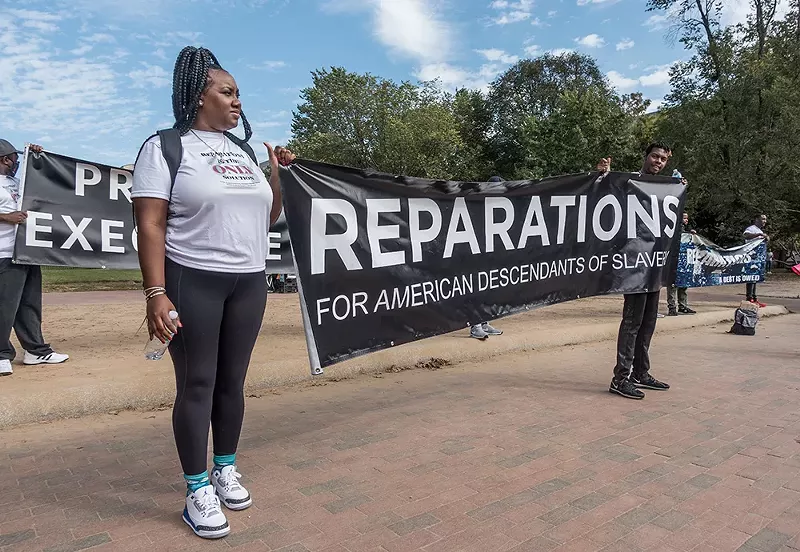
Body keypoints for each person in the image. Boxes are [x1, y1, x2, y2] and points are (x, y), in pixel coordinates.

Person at [132, 46, 295, 540]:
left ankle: (225, 469)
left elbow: (263, 218)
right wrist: (156, 292)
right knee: (198, 382)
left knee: (233, 381)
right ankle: (196, 487)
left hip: (249, 281)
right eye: (227, 91)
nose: (236, 101)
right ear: (198, 95)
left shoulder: (243, 150)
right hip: (192, 279)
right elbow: (151, 223)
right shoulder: (164, 147)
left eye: (239, 93)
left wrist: (277, 175)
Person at [596, 144, 685, 400]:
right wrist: (603, 175)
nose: (659, 161)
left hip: (655, 264)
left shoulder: (667, 189)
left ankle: (640, 373)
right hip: (634, 265)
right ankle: (620, 378)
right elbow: (605, 195)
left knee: (648, 322)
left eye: (663, 159)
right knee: (632, 323)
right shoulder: (630, 182)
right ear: (646, 157)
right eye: (655, 156)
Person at [0, 139, 69, 377]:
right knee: (4, 307)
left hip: (27, 251)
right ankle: (1, 354)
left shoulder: (15, 182)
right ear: (4, 160)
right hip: (4, 252)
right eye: (15, 158)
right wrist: (5, 217)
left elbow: (40, 188)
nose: (17, 162)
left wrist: (38, 158)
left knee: (29, 305)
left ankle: (36, 350)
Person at [471, 175, 505, 340]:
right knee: (477, 288)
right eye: (494, 188)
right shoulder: (476, 204)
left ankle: (485, 323)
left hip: (492, 255)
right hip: (476, 254)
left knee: (490, 288)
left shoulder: (501, 207)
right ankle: (475, 325)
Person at [667, 212, 696, 316]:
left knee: (683, 284)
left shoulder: (686, 233)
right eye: (684, 218)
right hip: (674, 261)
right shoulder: (673, 230)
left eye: (687, 218)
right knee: (673, 284)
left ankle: (682, 306)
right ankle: (672, 307)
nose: (686, 220)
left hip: (683, 261)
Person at [743, 214, 768, 307]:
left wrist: (766, 239)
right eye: (763, 219)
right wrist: (759, 234)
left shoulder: (760, 230)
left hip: (757, 259)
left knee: (755, 278)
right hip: (750, 257)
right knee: (750, 277)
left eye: (765, 219)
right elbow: (746, 235)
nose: (764, 221)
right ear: (756, 219)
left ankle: (754, 298)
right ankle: (749, 298)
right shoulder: (752, 228)